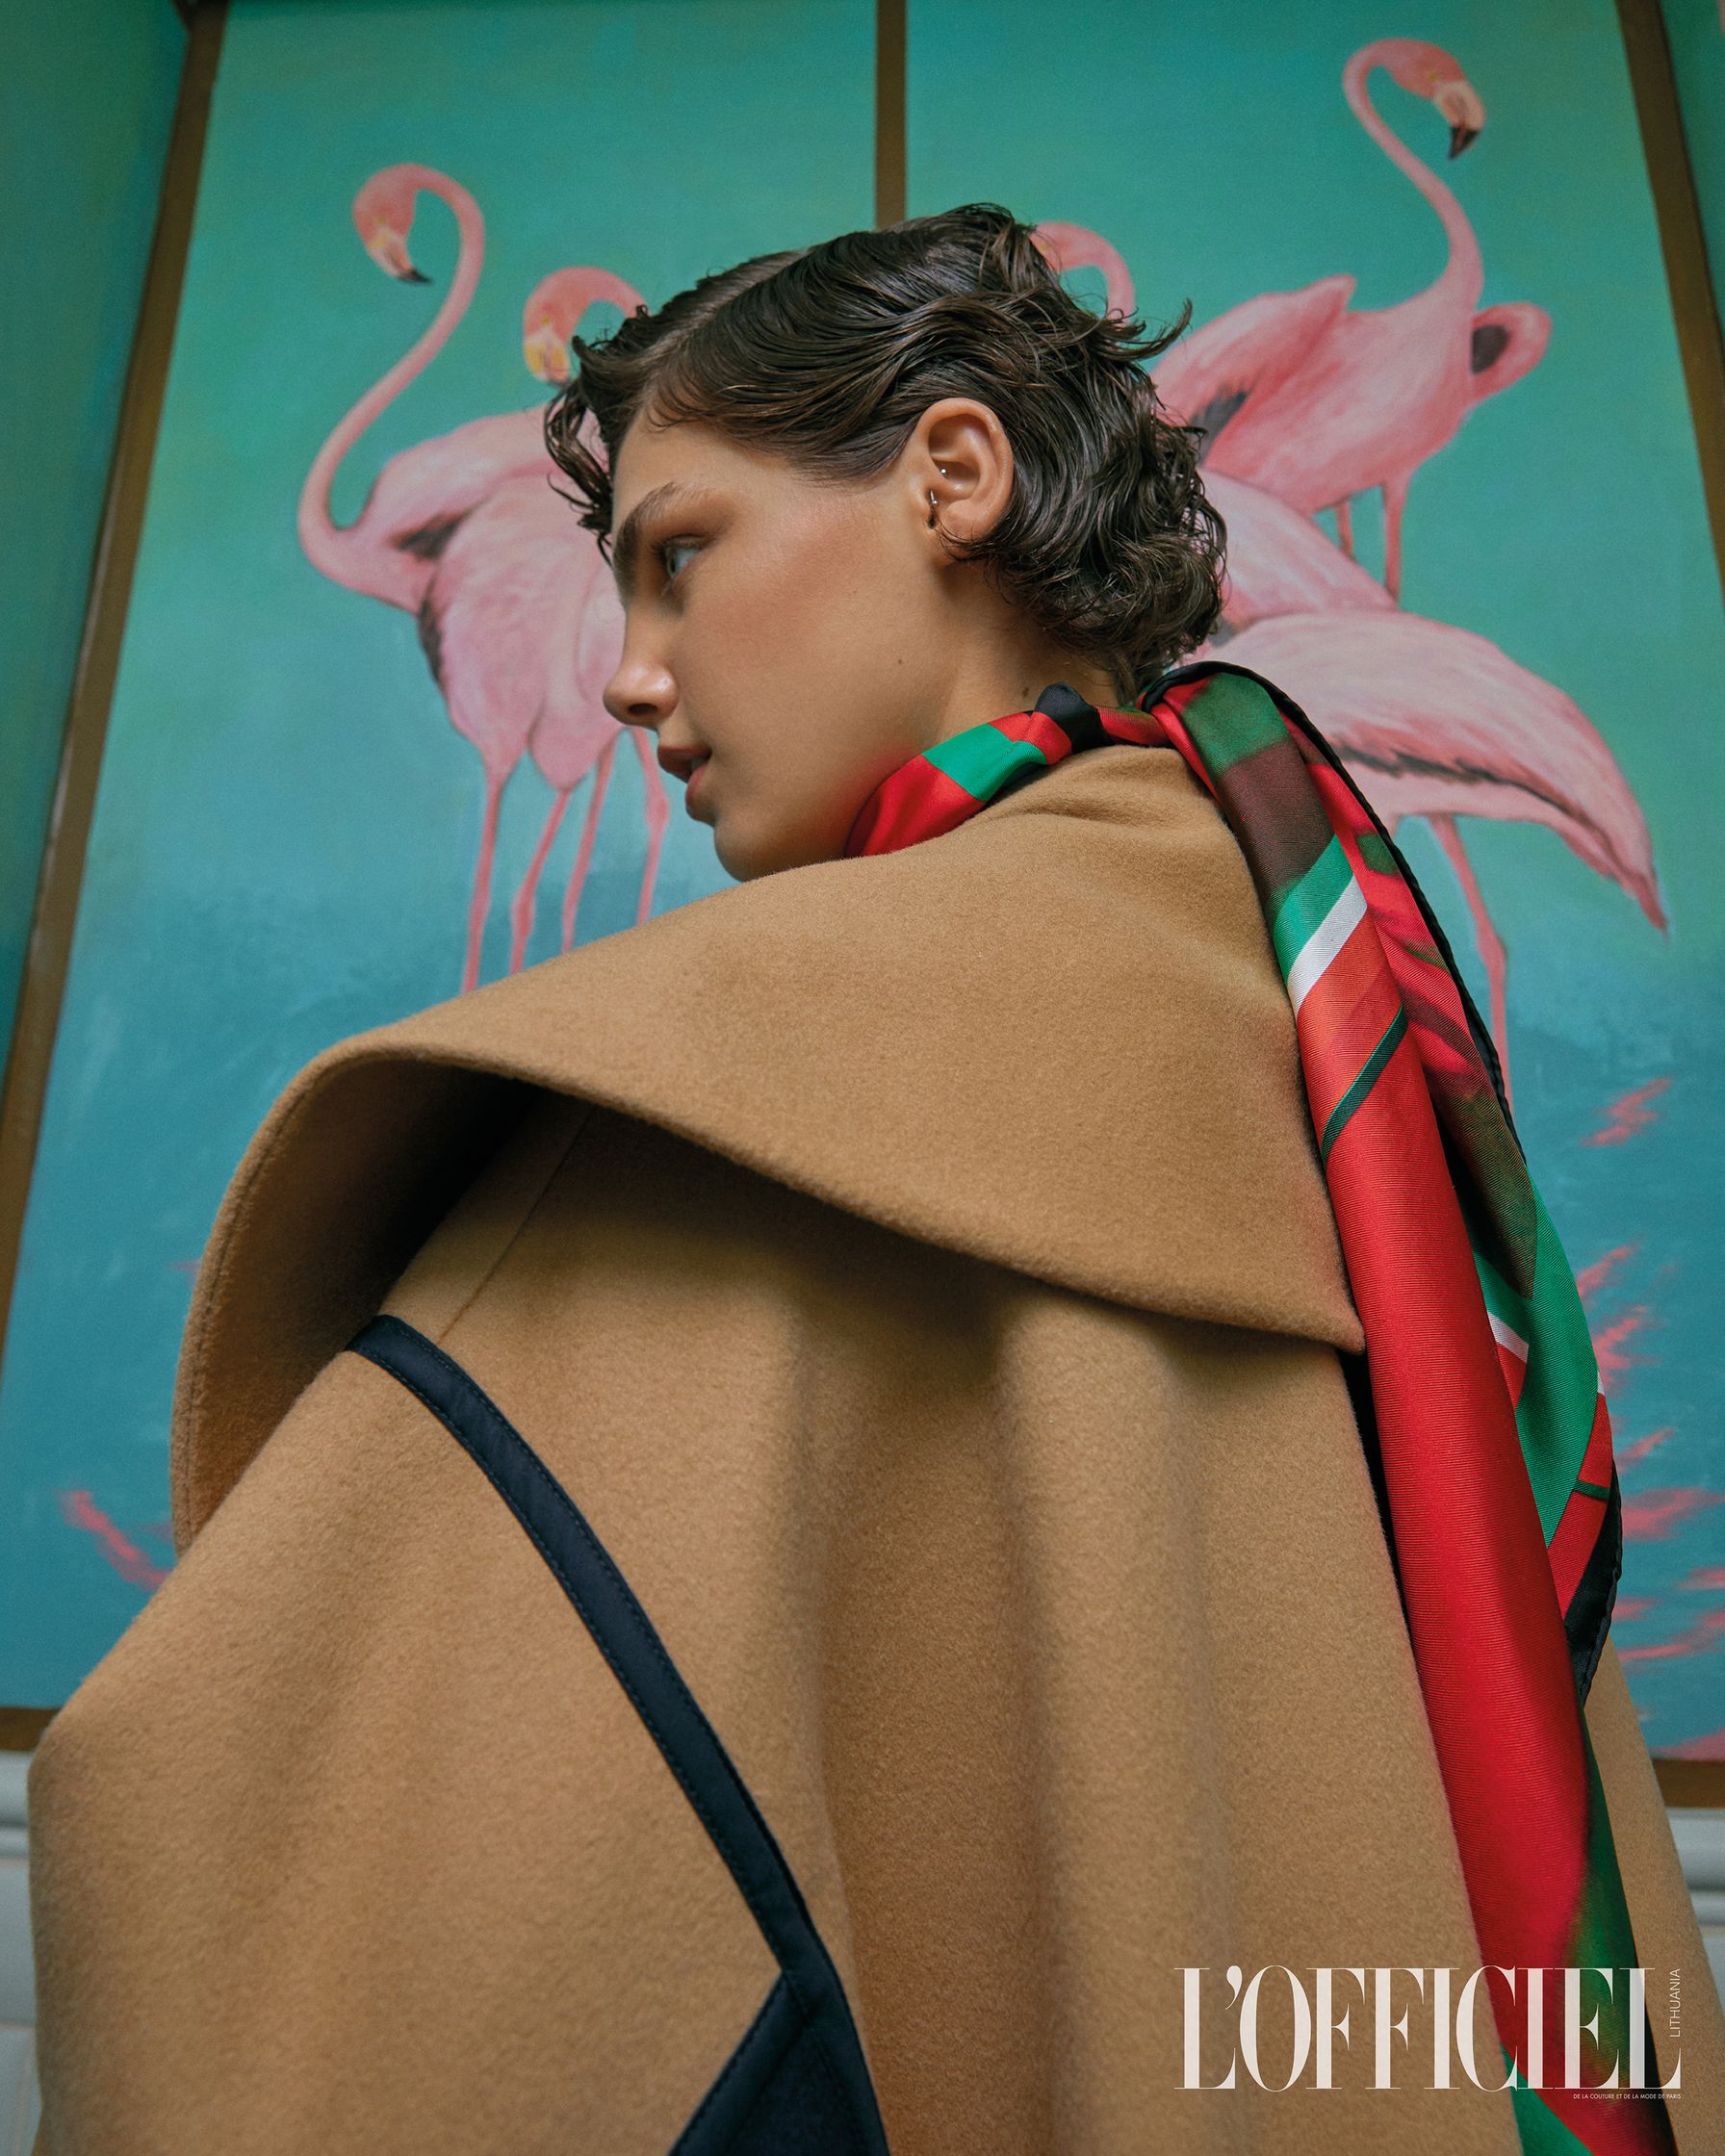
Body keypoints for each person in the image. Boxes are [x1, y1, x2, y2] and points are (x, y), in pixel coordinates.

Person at [25, 205, 1723, 2154]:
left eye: (679, 557)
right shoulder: (1353, 1035)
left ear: (950, 474)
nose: (623, 679)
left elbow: (228, 1839)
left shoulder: (712, 1091)